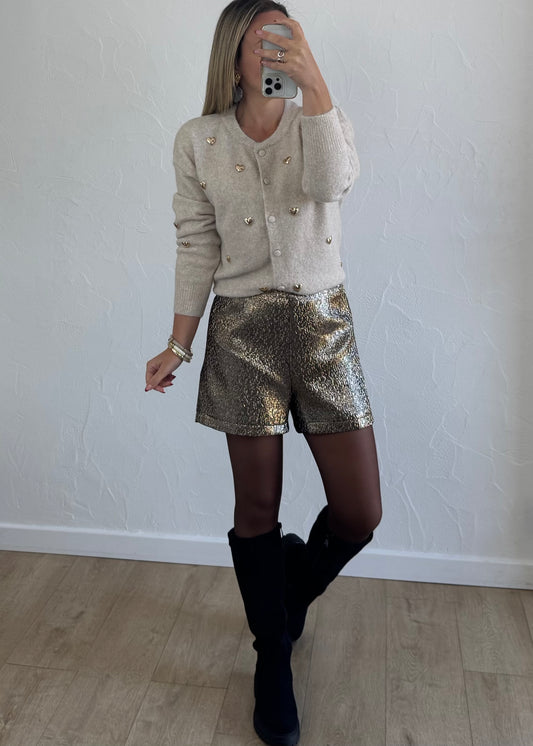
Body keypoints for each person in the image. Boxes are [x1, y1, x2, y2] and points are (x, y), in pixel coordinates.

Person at [145, 1, 382, 744]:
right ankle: (271, 651)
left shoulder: (320, 120)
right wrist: (178, 343)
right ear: (234, 54)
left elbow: (332, 184)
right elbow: (195, 244)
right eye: (264, 41)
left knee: (359, 513)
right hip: (241, 333)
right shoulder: (199, 140)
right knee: (256, 508)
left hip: (323, 330)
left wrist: (315, 85)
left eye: (289, 39)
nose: (277, 52)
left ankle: (286, 596)